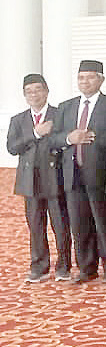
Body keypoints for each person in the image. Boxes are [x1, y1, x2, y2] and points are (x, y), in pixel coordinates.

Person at [53, 60, 106, 283]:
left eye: (90, 77)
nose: (85, 82)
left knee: (105, 222)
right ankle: (86, 267)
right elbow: (52, 139)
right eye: (81, 78)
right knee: (79, 223)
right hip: (72, 174)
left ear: (101, 79)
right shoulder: (66, 106)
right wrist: (68, 138)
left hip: (101, 173)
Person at [7, 74, 71, 283]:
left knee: (60, 224)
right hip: (30, 179)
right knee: (35, 225)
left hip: (55, 176)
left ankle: (63, 266)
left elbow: (65, 141)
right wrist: (35, 133)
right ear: (25, 95)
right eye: (29, 91)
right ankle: (39, 266)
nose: (34, 94)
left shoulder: (58, 114)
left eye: (38, 90)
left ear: (46, 91)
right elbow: (12, 148)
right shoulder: (18, 119)